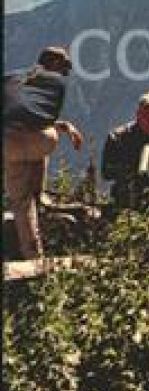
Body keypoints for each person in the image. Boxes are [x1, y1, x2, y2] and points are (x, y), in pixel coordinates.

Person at [3, 47, 85, 260]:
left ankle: (33, 255)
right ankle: (40, 194)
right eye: (65, 65)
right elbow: (42, 118)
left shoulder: (11, 78)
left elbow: (17, 111)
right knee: (40, 141)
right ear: (55, 64)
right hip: (42, 141)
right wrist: (65, 127)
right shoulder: (55, 82)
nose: (66, 71)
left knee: (21, 203)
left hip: (8, 143)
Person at [101, 92, 149, 211]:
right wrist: (133, 169)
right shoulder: (118, 137)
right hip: (124, 199)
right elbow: (106, 171)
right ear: (139, 115)